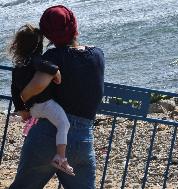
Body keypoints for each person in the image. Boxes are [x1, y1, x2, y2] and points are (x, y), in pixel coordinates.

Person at [9, 5, 105, 189]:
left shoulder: (52, 56)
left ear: (48, 34)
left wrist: (24, 96)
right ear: (74, 26)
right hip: (81, 138)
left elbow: (36, 85)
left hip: (45, 135)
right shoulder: (97, 55)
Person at [9, 24, 75, 176]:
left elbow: (14, 91)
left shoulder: (18, 66)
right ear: (38, 45)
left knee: (52, 123)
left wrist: (22, 110)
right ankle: (61, 157)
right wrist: (56, 73)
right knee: (64, 124)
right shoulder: (35, 60)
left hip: (33, 108)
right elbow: (49, 67)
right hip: (45, 104)